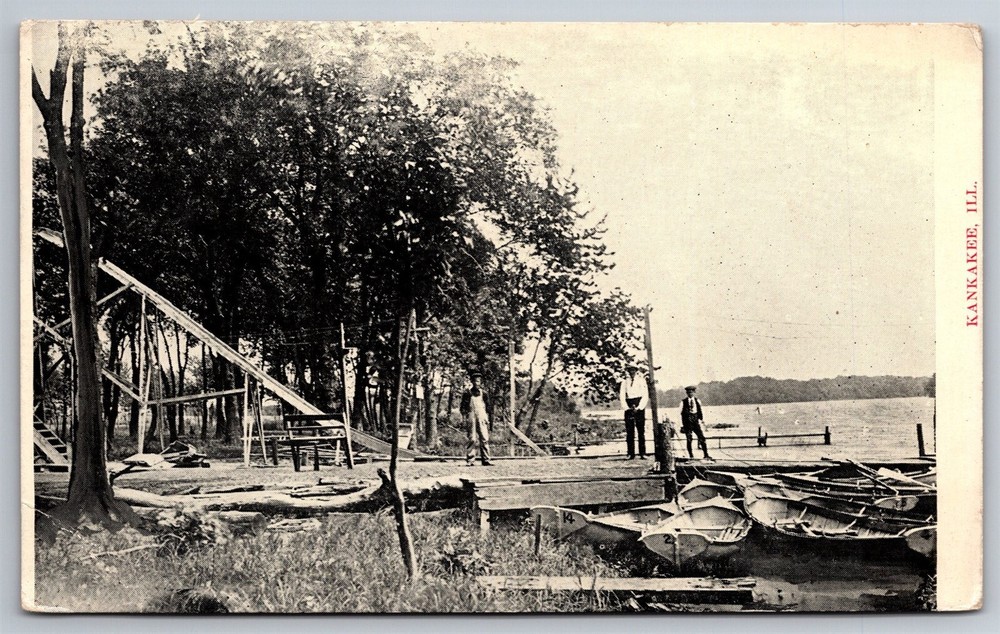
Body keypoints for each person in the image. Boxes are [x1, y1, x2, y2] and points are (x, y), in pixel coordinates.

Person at [461, 371, 493, 466]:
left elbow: (489, 408)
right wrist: (464, 418)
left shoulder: (485, 393)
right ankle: (470, 460)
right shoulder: (467, 393)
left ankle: (486, 459)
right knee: (472, 439)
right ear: (472, 382)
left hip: (482, 416)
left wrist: (489, 420)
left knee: (484, 438)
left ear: (480, 382)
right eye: (474, 381)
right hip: (471, 416)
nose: (476, 383)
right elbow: (463, 407)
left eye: (478, 381)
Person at [619, 363, 649, 459]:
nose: (632, 372)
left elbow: (645, 395)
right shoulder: (624, 382)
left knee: (641, 431)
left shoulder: (641, 381)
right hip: (629, 405)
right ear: (628, 371)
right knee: (629, 431)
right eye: (630, 370)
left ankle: (642, 453)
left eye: (633, 370)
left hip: (639, 405)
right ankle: (630, 453)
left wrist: (639, 407)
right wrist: (627, 408)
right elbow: (622, 396)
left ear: (636, 371)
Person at [680, 386, 711, 460]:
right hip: (687, 423)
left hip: (695, 422)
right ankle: (691, 456)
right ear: (686, 393)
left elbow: (700, 411)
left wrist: (702, 420)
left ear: (694, 392)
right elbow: (680, 413)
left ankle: (706, 455)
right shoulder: (683, 402)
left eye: (691, 392)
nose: (690, 394)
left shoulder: (697, 401)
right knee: (689, 439)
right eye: (688, 392)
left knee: (702, 438)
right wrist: (681, 425)